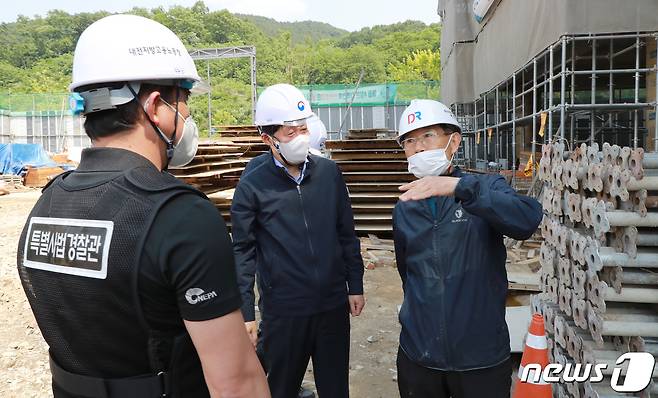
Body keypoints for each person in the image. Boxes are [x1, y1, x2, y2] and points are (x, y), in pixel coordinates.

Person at [16, 14, 269, 398]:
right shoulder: (180, 216)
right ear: (155, 106)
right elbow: (236, 382)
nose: (187, 116)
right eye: (182, 101)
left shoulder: (48, 202)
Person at [392, 99, 543, 398]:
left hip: (480, 358)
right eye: (410, 141)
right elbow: (407, 274)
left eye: (427, 136)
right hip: (419, 356)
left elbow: (527, 218)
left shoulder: (485, 188)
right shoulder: (404, 207)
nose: (419, 147)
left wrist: (459, 188)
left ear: (453, 141)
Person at [231, 83, 365, 398]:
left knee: (335, 388)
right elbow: (243, 251)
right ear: (268, 138)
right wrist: (246, 312)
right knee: (280, 387)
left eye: (303, 129)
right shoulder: (252, 184)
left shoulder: (329, 174)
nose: (300, 137)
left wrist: (354, 284)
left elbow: (346, 233)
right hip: (284, 311)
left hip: (332, 305)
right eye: (290, 132)